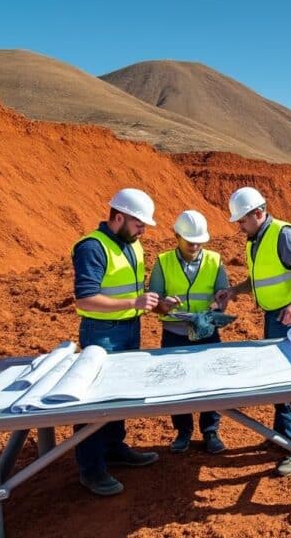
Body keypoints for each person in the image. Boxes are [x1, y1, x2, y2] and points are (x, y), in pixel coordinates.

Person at [214, 187, 291, 477]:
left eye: (242, 220)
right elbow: (259, 280)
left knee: (287, 379)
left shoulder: (282, 234)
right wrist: (235, 290)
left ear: (258, 213)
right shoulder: (255, 238)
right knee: (284, 375)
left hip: (289, 312)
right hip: (275, 311)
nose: (238, 226)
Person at [71, 188, 161, 496]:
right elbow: (86, 297)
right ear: (119, 217)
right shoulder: (92, 247)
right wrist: (133, 302)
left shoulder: (131, 244)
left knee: (119, 394)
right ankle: (91, 468)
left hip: (129, 327)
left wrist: (151, 303)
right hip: (102, 331)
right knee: (94, 400)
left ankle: (113, 448)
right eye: (139, 224)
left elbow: (132, 289)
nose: (143, 231)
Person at [149, 210, 229, 455]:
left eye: (199, 241)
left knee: (210, 381)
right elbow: (155, 303)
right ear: (176, 235)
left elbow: (223, 295)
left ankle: (210, 430)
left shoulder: (215, 261)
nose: (194, 245)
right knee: (176, 383)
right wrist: (165, 305)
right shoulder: (163, 262)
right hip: (175, 332)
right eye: (189, 240)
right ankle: (183, 431)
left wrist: (219, 304)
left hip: (206, 330)